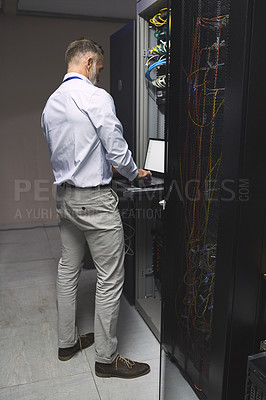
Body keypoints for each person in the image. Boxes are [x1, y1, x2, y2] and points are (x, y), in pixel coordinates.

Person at [41, 38, 152, 379]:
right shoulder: (94, 96)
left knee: (67, 270)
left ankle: (67, 343)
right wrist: (136, 172)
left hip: (65, 197)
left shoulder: (51, 104)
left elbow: (70, 149)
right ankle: (106, 359)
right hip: (94, 201)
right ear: (88, 63)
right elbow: (116, 149)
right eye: (99, 69)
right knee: (109, 278)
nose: (99, 76)